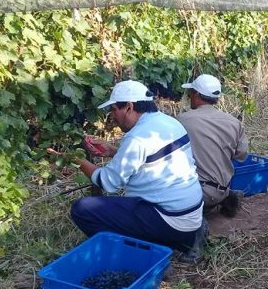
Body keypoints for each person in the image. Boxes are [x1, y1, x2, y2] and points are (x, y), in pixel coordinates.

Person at [55, 80, 207, 263]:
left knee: (83, 209)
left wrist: (75, 159)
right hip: (190, 214)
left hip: (170, 219)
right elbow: (148, 160)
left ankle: (139, 256)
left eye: (114, 110)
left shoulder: (137, 138)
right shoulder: (168, 122)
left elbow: (108, 183)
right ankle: (187, 239)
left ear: (128, 107)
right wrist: (113, 152)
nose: (112, 116)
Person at [176, 74, 249, 217]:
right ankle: (223, 198)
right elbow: (241, 156)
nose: (189, 96)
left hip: (196, 191)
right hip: (223, 188)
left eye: (190, 93)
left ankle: (197, 217)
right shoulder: (234, 123)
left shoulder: (181, 121)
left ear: (196, 94)